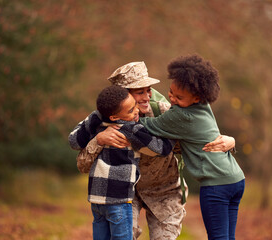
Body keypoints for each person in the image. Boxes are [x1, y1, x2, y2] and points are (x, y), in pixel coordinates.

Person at [69, 61, 236, 240]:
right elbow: (82, 163)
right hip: (124, 193)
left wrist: (231, 142)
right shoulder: (105, 118)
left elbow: (204, 134)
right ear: (122, 95)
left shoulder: (165, 113)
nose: (147, 96)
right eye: (139, 91)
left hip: (165, 191)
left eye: (148, 90)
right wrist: (98, 140)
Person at [139, 54, 245, 240]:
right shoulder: (204, 105)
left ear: (196, 97)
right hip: (236, 179)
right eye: (170, 92)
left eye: (179, 97)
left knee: (218, 237)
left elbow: (149, 126)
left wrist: (118, 120)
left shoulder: (181, 116)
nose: (172, 99)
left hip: (216, 185)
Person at [69, 85, 175, 240]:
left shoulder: (96, 119)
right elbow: (160, 149)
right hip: (119, 199)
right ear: (114, 117)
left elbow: (73, 140)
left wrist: (95, 137)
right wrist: (173, 133)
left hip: (96, 199)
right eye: (131, 110)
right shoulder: (131, 128)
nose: (136, 111)